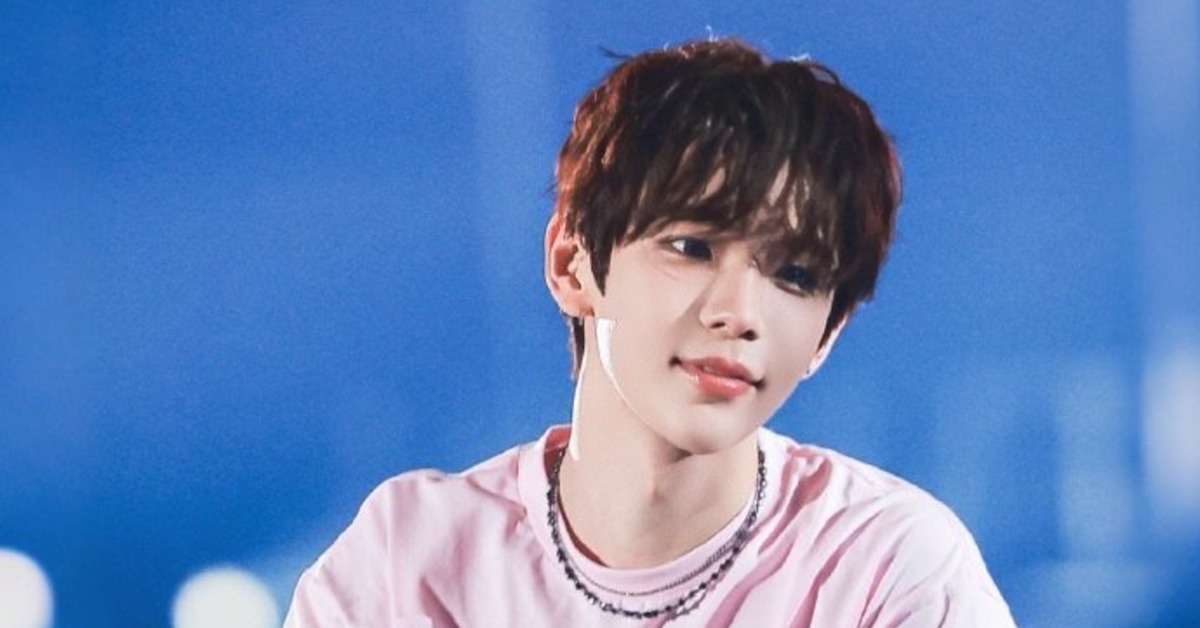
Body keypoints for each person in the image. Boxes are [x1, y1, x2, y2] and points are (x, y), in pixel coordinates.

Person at [283, 38, 1016, 627]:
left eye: (794, 276)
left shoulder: (886, 568)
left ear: (827, 334)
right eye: (692, 247)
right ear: (572, 262)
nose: (739, 313)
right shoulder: (408, 563)